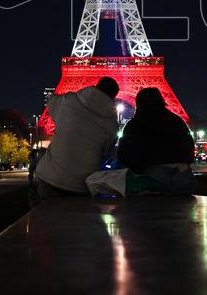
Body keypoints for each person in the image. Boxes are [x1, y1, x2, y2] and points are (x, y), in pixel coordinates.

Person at [30, 77, 120, 206]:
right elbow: (106, 154)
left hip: (49, 178)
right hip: (81, 185)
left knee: (44, 221)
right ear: (113, 97)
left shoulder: (68, 102)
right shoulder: (112, 124)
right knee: (75, 224)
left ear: (96, 86)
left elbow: (52, 101)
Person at [116, 87, 197, 195]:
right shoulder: (177, 121)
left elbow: (124, 155)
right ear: (161, 100)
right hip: (184, 181)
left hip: (153, 182)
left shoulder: (134, 126)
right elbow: (189, 149)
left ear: (138, 104)